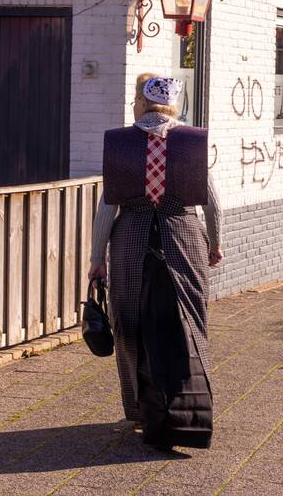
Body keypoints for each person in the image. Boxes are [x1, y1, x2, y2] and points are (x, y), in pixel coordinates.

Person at [89, 73, 223, 450]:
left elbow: (107, 207)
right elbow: (212, 203)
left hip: (130, 239)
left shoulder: (121, 143)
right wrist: (215, 244)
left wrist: (97, 258)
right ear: (173, 106)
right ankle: (193, 403)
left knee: (129, 322)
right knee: (191, 319)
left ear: (142, 102)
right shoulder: (191, 142)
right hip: (183, 236)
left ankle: (138, 408)